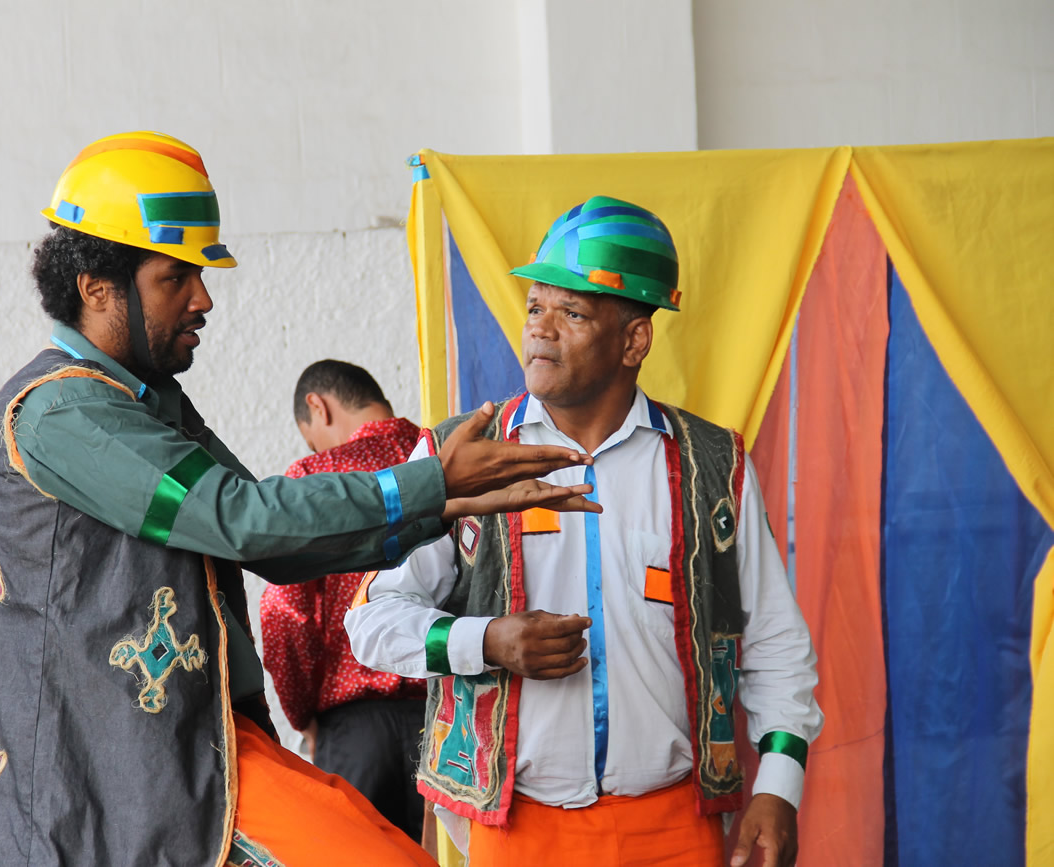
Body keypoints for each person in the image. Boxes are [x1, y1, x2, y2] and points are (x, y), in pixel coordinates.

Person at [0, 131, 600, 867]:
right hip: (124, 794)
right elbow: (241, 520)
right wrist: (434, 481)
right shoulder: (62, 413)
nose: (203, 298)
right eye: (176, 277)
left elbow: (275, 537)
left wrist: (449, 476)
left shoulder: (148, 404)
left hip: (197, 766)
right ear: (95, 287)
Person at [346, 196, 823, 867]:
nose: (540, 329)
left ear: (634, 340)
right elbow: (368, 620)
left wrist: (779, 788)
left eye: (571, 313)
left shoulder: (712, 466)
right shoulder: (461, 455)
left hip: (675, 827)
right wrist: (488, 640)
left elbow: (774, 641)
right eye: (535, 306)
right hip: (517, 829)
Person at [260, 360, 429, 841]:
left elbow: (283, 613)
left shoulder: (315, 474)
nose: (313, 448)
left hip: (353, 731)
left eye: (309, 436)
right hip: (446, 722)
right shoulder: (441, 459)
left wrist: (302, 715)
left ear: (318, 406)